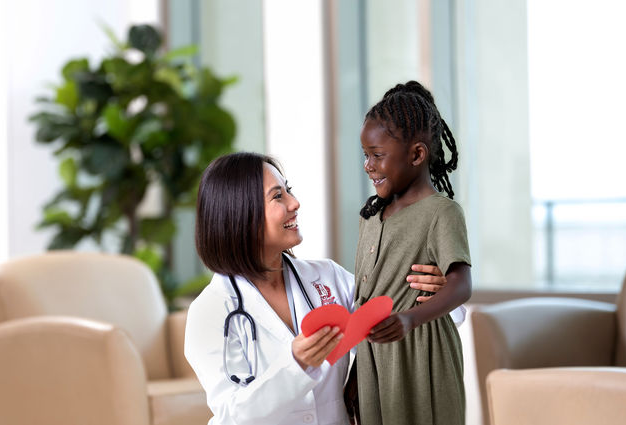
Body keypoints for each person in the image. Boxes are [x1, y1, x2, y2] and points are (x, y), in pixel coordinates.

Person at [184, 152, 456, 425]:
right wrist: (296, 363)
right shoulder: (210, 312)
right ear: (240, 214)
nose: (295, 203)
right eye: (278, 196)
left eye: (288, 190)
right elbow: (233, 414)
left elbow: (391, 312)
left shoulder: (326, 276)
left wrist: (434, 294)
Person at [354, 81, 473, 425]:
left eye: (377, 155)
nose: (368, 165)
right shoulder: (370, 217)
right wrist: (354, 374)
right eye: (366, 155)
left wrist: (408, 319)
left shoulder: (442, 212)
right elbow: (364, 297)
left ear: (417, 155)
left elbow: (461, 284)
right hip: (373, 356)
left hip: (421, 352)